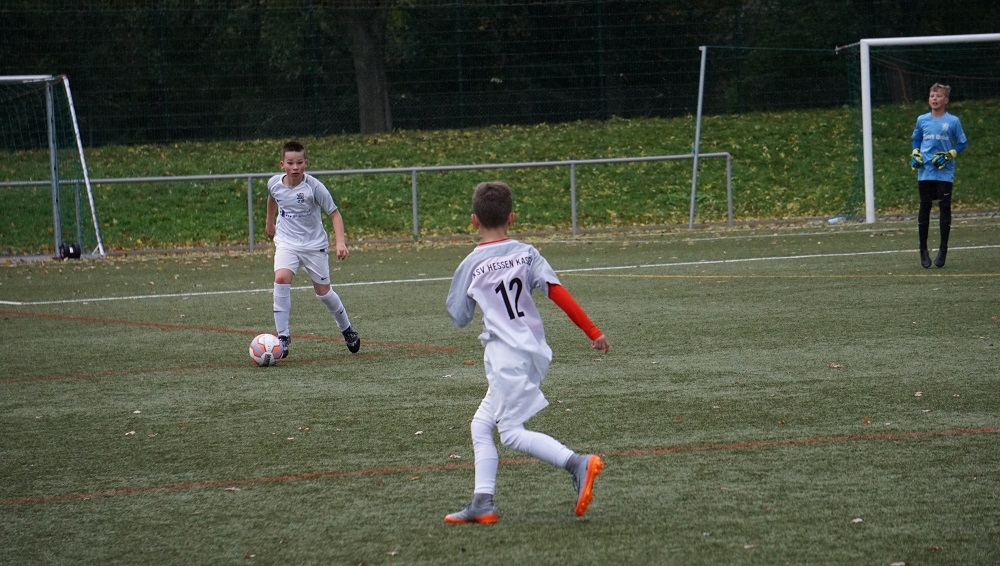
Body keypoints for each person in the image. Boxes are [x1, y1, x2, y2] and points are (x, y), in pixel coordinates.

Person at [444, 181, 610, 524]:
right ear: (512, 218)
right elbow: (557, 292)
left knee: (510, 432)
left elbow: (459, 316)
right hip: (532, 352)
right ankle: (482, 502)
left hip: (505, 357)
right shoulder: (527, 253)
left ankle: (577, 463)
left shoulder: (471, 264)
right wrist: (593, 331)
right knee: (481, 425)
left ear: (474, 220)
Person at [266, 140, 360, 357]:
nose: (295, 167)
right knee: (281, 278)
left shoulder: (314, 187)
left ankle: (347, 329)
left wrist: (340, 242)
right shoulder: (274, 183)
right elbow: (272, 199)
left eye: (299, 162)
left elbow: (335, 214)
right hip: (287, 242)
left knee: (324, 293)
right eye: (290, 163)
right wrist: (269, 223)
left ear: (306, 163)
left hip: (314, 245)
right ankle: (283, 337)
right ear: (282, 164)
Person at [910, 83, 968, 268]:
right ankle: (923, 250)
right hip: (925, 171)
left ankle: (943, 249)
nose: (934, 98)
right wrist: (915, 153)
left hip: (944, 172)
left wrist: (950, 154)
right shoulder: (922, 120)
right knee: (925, 207)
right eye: (932, 96)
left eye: (939, 96)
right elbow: (916, 139)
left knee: (944, 208)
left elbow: (962, 143)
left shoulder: (953, 121)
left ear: (946, 100)